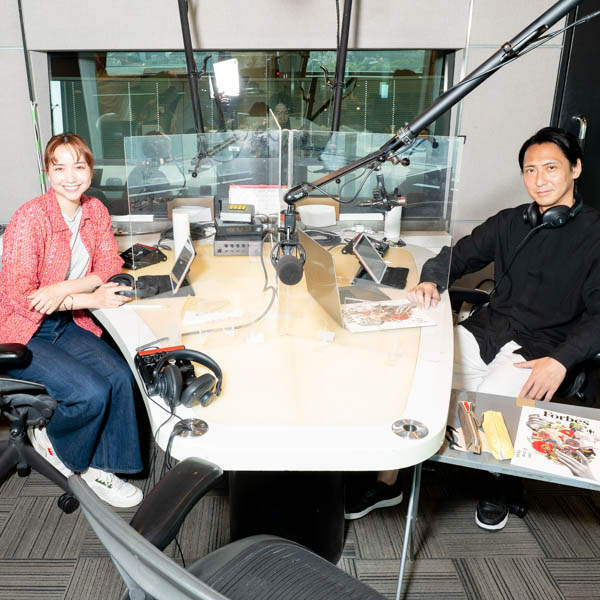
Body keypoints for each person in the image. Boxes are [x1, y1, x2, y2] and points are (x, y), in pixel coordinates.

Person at [345, 127, 600, 529]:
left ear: (576, 168)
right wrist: (432, 280)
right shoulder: (511, 222)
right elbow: (455, 256)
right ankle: (388, 481)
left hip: (543, 349)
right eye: (530, 170)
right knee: (414, 377)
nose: (540, 180)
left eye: (551, 168)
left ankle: (499, 484)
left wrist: (562, 361)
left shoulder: (595, 235)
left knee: (492, 406)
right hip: (487, 330)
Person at [0, 133, 144, 508]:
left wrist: (65, 288)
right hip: (23, 329)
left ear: (91, 171)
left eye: (78, 167)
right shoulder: (31, 218)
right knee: (89, 392)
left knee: (120, 377)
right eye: (59, 168)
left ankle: (105, 466)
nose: (70, 177)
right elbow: (24, 298)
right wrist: (90, 297)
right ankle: (58, 443)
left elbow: (110, 264)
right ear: (47, 173)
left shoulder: (94, 210)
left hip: (66, 321)